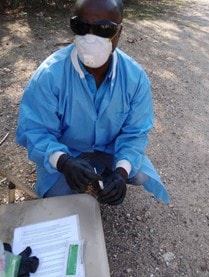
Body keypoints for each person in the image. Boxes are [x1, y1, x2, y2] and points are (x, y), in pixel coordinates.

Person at [16, 0, 170, 205]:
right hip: (68, 151)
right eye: (81, 26)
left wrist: (121, 174)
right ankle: (82, 173)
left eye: (104, 29)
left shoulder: (135, 78)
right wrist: (63, 162)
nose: (90, 38)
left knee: (138, 174)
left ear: (119, 32)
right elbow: (35, 130)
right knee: (56, 197)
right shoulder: (50, 75)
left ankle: (106, 175)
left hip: (109, 149)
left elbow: (135, 133)